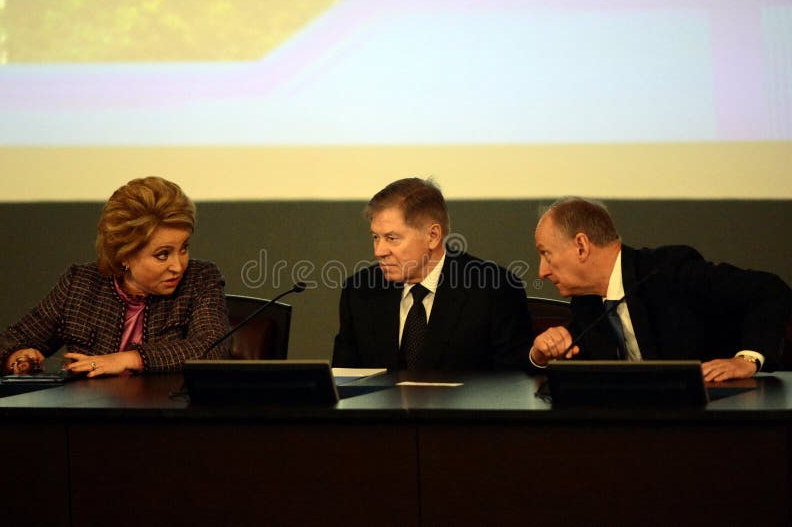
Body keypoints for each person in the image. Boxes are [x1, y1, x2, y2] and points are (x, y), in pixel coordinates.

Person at [530, 196, 791, 381]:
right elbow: (576, 357)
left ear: (581, 246)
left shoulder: (668, 271)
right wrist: (541, 354)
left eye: (546, 254)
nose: (542, 271)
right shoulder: (587, 303)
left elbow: (769, 289)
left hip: (723, 414)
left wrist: (746, 360)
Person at [0, 176, 231, 377]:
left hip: (167, 422)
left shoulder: (200, 279)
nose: (178, 266)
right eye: (162, 255)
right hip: (88, 421)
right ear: (123, 254)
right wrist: (15, 357)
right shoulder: (80, 284)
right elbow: (4, 343)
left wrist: (130, 359)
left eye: (184, 248)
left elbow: (212, 347)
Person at [333, 177, 534, 370]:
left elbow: (513, 382)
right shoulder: (360, 291)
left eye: (392, 238)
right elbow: (345, 381)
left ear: (433, 236)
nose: (379, 251)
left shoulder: (494, 289)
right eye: (376, 237)